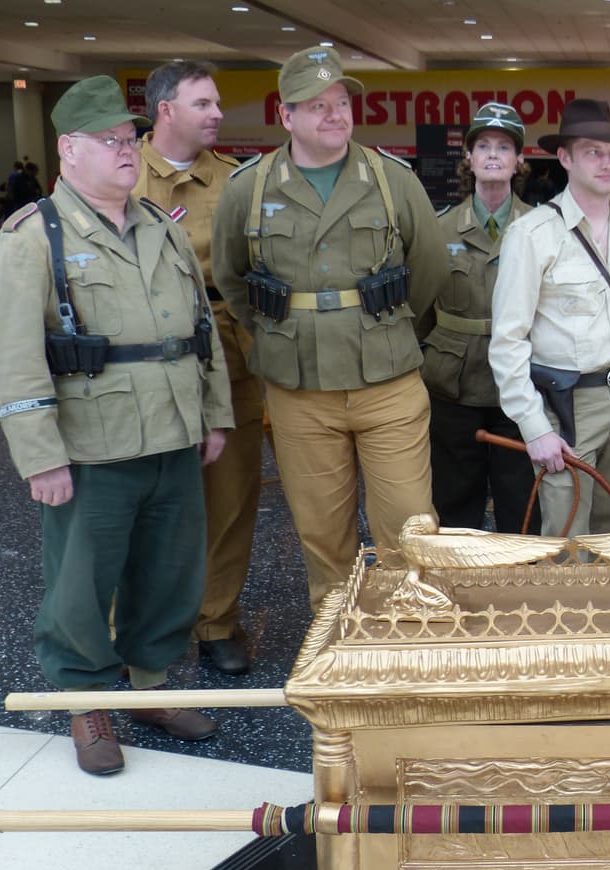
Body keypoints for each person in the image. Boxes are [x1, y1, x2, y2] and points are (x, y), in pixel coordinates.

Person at [0, 76, 234, 775]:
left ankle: (150, 685)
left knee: (169, 570)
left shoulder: (160, 225)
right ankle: (84, 698)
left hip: (172, 432)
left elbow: (200, 329)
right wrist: (40, 457)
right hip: (90, 444)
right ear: (69, 149)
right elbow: (10, 358)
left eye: (131, 140)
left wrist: (214, 414)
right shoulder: (32, 237)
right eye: (111, 141)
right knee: (83, 580)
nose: (128, 152)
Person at [212, 46, 447, 610]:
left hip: (387, 382)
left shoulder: (392, 180)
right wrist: (283, 334)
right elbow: (233, 279)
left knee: (408, 525)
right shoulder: (249, 187)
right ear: (286, 116)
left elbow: (430, 268)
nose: (335, 114)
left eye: (341, 102)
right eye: (317, 105)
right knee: (322, 529)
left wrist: (384, 329)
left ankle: (406, 635)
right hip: (299, 390)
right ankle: (337, 633)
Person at [488, 99, 610, 537]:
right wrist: (534, 429)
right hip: (567, 405)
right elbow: (508, 341)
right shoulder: (532, 234)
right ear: (565, 158)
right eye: (592, 151)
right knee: (567, 535)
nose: (607, 163)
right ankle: (566, 610)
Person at [134, 60, 259, 674]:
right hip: (141, 360)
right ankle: (134, 631)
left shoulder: (235, 183)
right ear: (166, 110)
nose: (217, 114)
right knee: (145, 498)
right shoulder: (121, 175)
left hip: (227, 353)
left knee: (229, 497)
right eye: (204, 104)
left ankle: (216, 622)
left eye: (217, 104)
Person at [420, 102, 537, 532]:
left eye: (503, 147)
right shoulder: (439, 228)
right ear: (467, 158)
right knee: (454, 498)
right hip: (453, 382)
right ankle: (459, 588)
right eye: (482, 145)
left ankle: (520, 589)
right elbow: (420, 309)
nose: (492, 154)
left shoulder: (542, 227)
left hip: (520, 383)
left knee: (521, 497)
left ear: (519, 160)